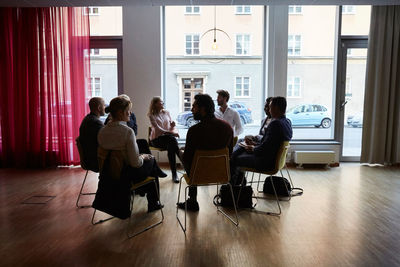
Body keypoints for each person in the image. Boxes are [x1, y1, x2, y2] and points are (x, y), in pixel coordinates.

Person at [98, 96, 165, 212]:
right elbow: (136, 163)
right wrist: (143, 156)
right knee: (152, 160)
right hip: (125, 176)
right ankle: (153, 202)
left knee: (149, 163)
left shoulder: (102, 131)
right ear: (120, 112)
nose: (130, 113)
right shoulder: (127, 132)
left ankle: (146, 192)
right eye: (128, 110)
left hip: (108, 176)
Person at [177, 94, 233, 211]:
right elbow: (230, 154)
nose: (192, 110)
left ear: (202, 109)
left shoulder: (194, 131)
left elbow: (187, 159)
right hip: (222, 174)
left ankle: (192, 201)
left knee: (181, 154)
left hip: (198, 175)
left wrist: (179, 152)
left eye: (194, 106)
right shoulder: (227, 128)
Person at [230, 96, 293, 185]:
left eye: (270, 107)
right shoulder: (287, 122)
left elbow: (265, 148)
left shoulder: (275, 123)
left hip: (266, 162)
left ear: (276, 108)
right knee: (239, 150)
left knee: (235, 158)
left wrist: (253, 148)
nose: (269, 109)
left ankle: (233, 188)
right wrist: (254, 145)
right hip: (274, 159)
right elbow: (270, 144)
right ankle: (237, 184)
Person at [148, 96, 181, 183]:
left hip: (168, 139)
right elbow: (158, 129)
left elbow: (170, 126)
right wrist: (171, 133)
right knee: (172, 142)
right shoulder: (151, 115)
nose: (163, 103)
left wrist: (173, 125)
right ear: (155, 104)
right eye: (161, 102)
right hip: (157, 139)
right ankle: (184, 168)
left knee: (171, 145)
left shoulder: (166, 112)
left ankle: (174, 174)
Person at [78, 97, 106, 172]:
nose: (105, 107)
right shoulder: (95, 122)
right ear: (99, 107)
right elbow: (107, 138)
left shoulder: (88, 119)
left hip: (89, 159)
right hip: (95, 161)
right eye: (104, 105)